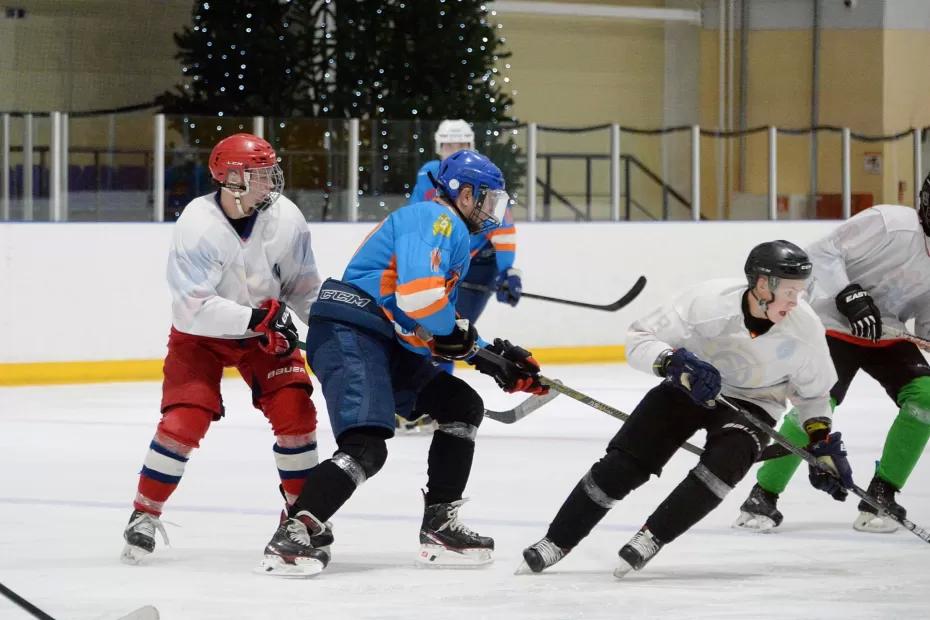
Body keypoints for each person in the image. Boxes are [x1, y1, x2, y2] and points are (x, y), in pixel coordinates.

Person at [258, 149, 548, 577]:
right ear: (464, 195)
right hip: (351, 334)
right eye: (488, 199)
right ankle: (295, 532)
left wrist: (493, 358)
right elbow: (421, 300)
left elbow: (431, 320)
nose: (493, 211)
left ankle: (440, 526)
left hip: (380, 338)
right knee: (366, 446)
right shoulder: (435, 219)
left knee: (460, 405)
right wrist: (469, 344)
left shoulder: (454, 237)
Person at [520, 241, 852, 578]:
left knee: (728, 460)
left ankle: (653, 536)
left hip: (755, 402)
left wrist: (820, 441)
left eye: (802, 290)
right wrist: (670, 361)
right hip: (689, 386)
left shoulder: (805, 329)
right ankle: (557, 540)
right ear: (763, 284)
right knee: (625, 462)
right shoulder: (706, 302)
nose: (796, 300)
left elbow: (815, 395)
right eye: (790, 290)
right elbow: (639, 338)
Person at [121, 133, 324, 564]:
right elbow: (192, 308)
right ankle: (144, 512)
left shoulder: (286, 218)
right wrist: (257, 321)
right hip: (203, 338)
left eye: (271, 172)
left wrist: (327, 327)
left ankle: (299, 518)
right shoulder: (197, 224)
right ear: (232, 180)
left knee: (297, 414)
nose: (272, 182)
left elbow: (303, 286)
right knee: (184, 420)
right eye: (261, 175)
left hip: (265, 332)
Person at [736, 194, 930, 534]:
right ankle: (764, 493)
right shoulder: (891, 223)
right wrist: (848, 293)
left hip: (888, 334)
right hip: (832, 324)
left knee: (927, 396)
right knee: (816, 407)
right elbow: (821, 252)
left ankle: (881, 494)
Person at [398, 120, 522, 433]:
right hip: (444, 259)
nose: (454, 151)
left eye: (461, 146)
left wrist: (508, 270)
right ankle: (426, 400)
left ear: (471, 146)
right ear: (439, 148)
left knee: (450, 328)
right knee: (430, 326)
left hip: (480, 262)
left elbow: (503, 228)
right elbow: (417, 217)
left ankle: (439, 403)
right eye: (448, 146)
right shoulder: (429, 174)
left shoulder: (483, 175)